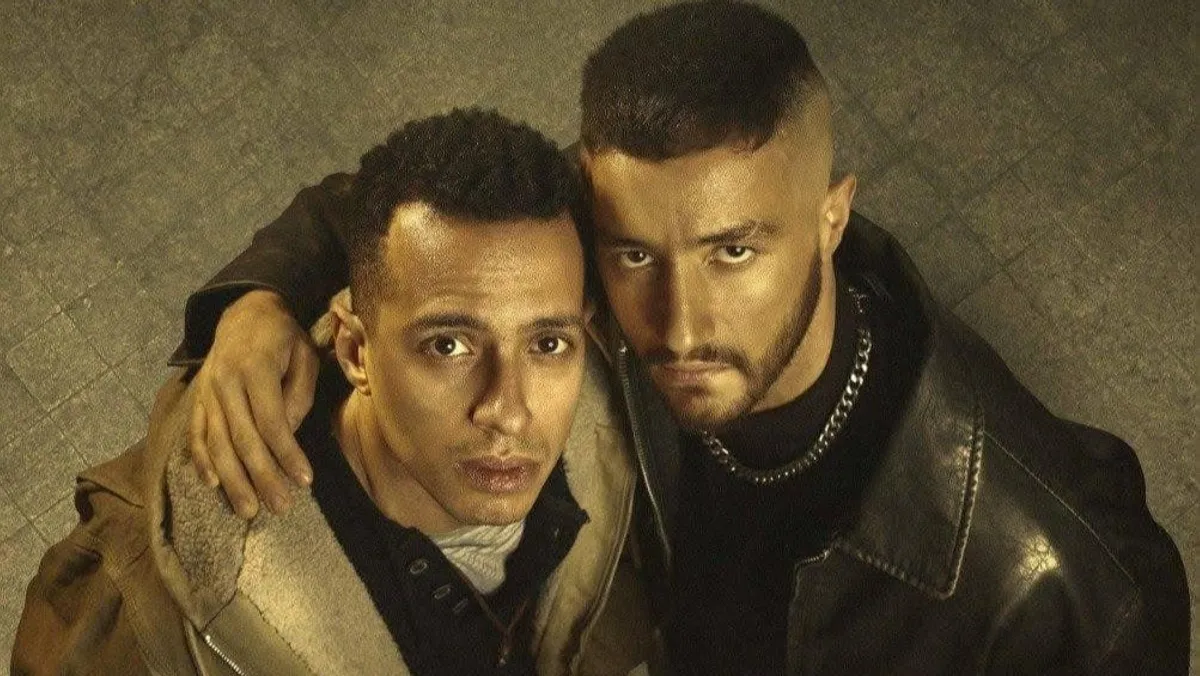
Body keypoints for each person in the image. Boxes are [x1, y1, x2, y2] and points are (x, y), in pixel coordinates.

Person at [170, 3, 1189, 675]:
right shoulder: (611, 223)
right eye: (633, 256)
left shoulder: (1073, 588)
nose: (678, 326)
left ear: (832, 217)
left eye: (733, 252)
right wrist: (254, 305)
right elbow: (399, 208)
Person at [11, 109, 652, 676]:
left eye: (547, 344)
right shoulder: (133, 618)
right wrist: (253, 298)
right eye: (448, 346)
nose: (508, 410)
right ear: (354, 351)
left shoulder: (619, 359)